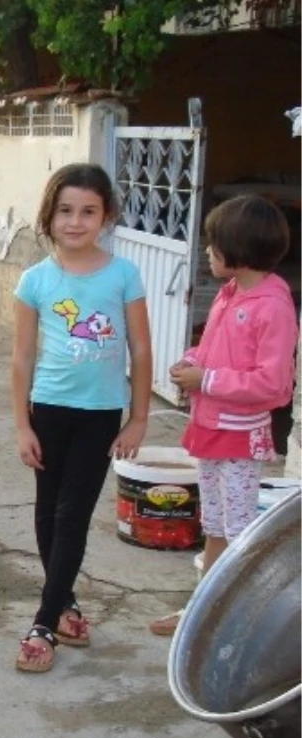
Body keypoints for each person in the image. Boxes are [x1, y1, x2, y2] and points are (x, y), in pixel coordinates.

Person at [11, 163, 152, 673]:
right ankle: (66, 605)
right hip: (48, 410)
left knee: (72, 515)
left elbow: (139, 347)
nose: (76, 221)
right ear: (50, 216)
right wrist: (22, 424)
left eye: (88, 211)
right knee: (48, 513)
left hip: (100, 416)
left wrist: (138, 418)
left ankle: (44, 623)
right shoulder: (35, 281)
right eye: (66, 211)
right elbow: (23, 357)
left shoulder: (123, 275)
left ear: (105, 216)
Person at [150, 195, 298, 637]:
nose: (207, 253)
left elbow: (274, 385)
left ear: (239, 251)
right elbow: (216, 350)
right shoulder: (231, 293)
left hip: (239, 436)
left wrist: (207, 379)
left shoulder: (272, 306)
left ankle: (237, 624)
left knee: (239, 534)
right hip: (210, 429)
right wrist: (192, 363)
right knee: (214, 525)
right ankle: (201, 612)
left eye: (214, 246)